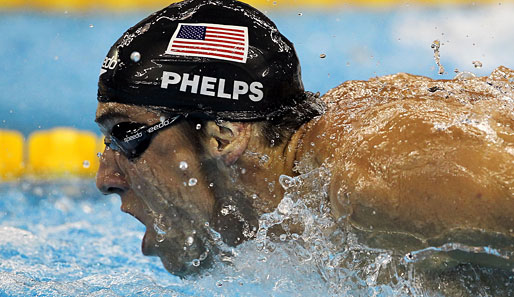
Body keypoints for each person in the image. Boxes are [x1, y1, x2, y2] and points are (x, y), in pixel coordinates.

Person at [95, 0, 514, 276]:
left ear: (222, 137)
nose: (105, 176)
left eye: (124, 135)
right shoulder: (307, 196)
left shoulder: (380, 180)